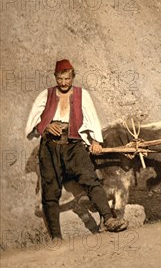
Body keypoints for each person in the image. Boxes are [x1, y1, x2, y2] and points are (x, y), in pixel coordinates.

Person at [25, 59, 128, 239]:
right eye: (60, 79)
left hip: (74, 145)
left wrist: (96, 141)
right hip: (50, 148)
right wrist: (45, 125)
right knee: (50, 190)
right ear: (55, 77)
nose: (64, 83)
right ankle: (56, 236)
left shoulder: (82, 95)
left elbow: (92, 118)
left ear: (73, 76)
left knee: (90, 179)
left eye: (67, 78)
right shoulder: (45, 95)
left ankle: (109, 219)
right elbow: (33, 120)